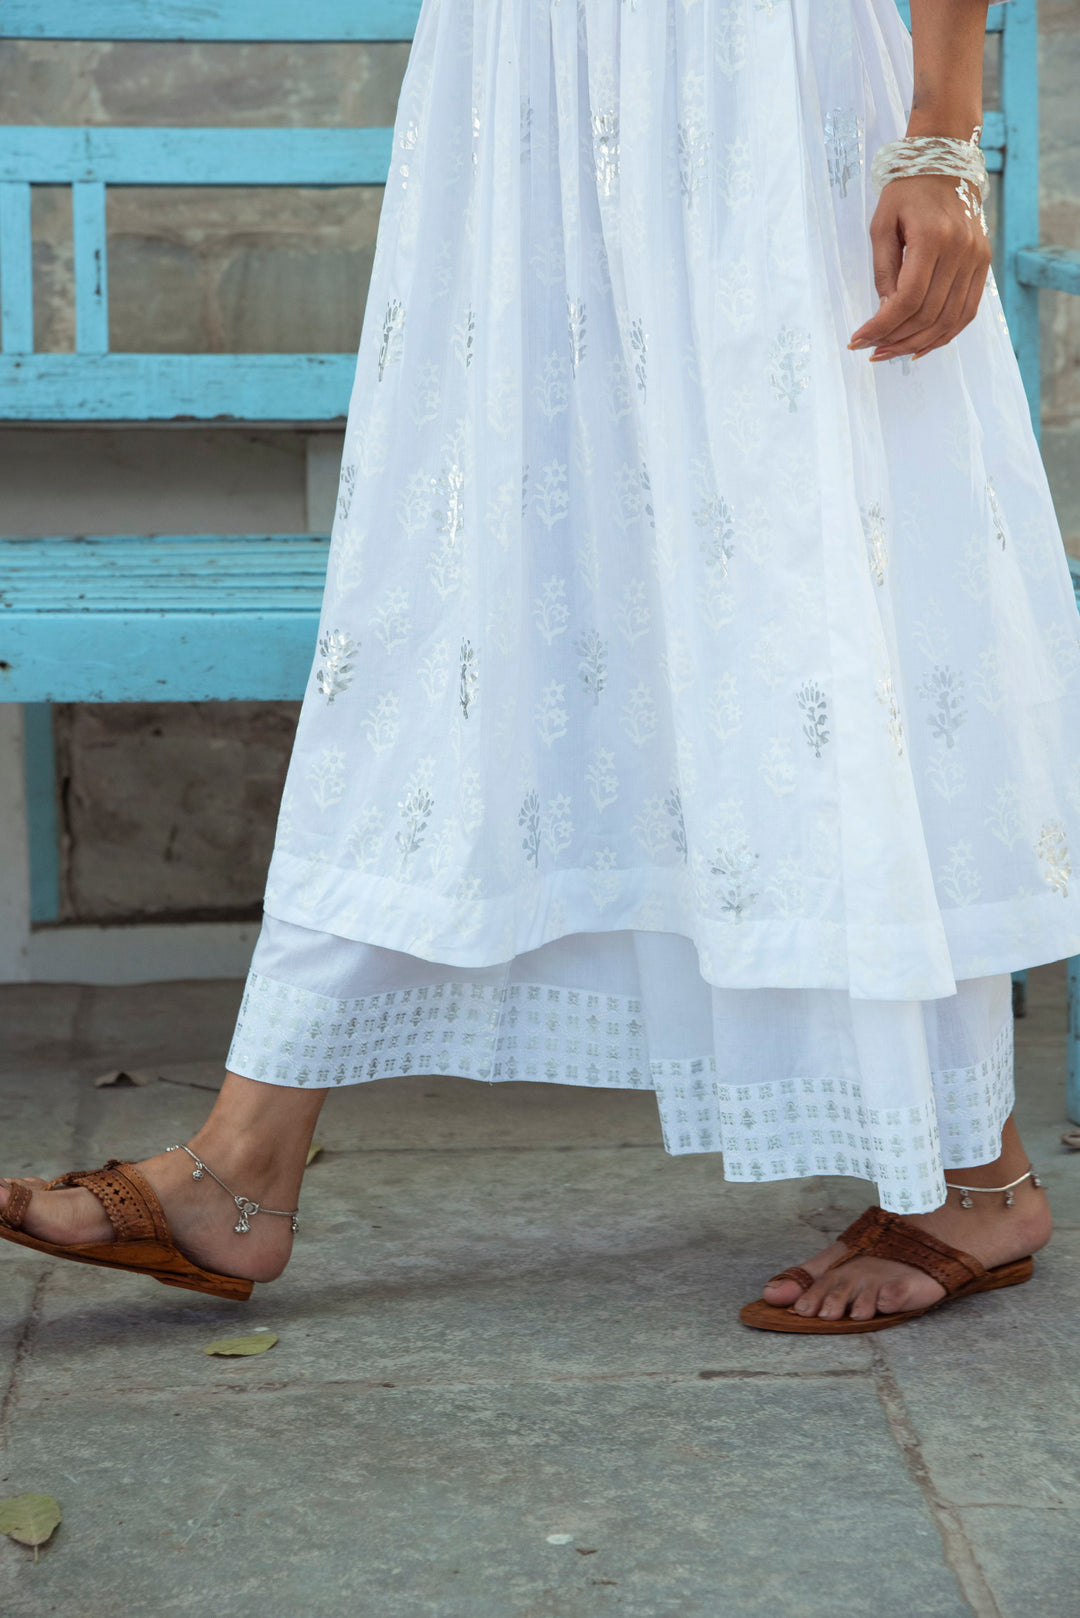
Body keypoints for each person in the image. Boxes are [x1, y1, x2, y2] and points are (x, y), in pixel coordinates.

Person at [2, 0, 1072, 1332]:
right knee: (441, 606)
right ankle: (243, 1157)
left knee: (818, 600)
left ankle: (982, 1176)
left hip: (759, 86)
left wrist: (943, 136)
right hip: (515, 91)